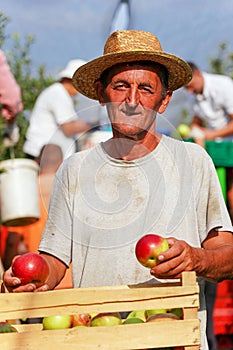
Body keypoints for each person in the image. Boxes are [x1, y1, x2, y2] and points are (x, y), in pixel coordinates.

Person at [3, 30, 233, 350]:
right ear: (101, 93)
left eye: (146, 89)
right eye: (121, 86)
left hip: (176, 340)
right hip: (99, 339)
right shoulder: (75, 169)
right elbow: (54, 260)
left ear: (164, 100)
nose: (132, 101)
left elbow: (228, 256)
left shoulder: (193, 161)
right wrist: (31, 278)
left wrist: (196, 258)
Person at [184, 62, 233, 222]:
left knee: (231, 197)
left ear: (198, 74)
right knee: (215, 195)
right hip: (215, 149)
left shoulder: (223, 85)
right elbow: (196, 121)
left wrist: (211, 134)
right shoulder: (193, 96)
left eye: (190, 86)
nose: (189, 91)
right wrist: (194, 131)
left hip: (229, 147)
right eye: (186, 88)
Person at [23, 59, 97, 160]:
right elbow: (68, 128)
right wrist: (94, 124)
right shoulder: (59, 94)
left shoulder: (57, 92)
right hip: (43, 154)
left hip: (45, 152)